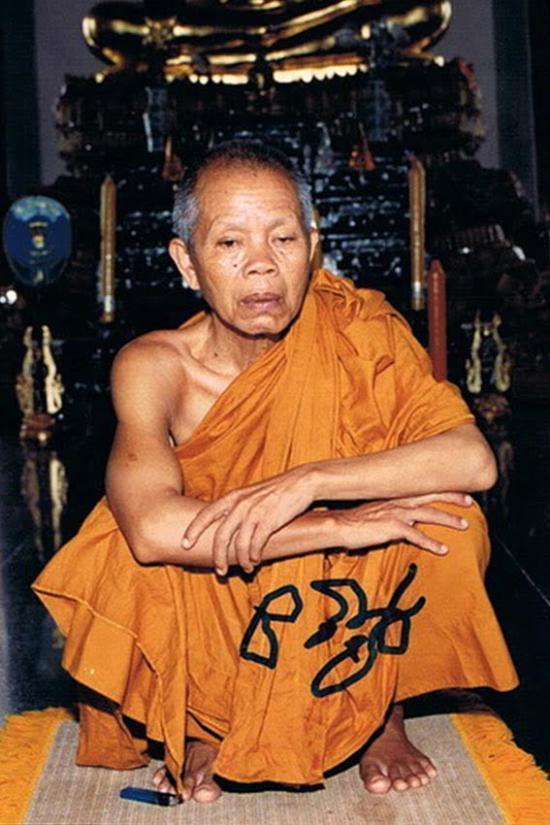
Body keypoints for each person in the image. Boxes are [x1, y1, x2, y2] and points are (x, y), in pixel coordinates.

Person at [33, 140, 517, 804]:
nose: (261, 264)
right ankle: (206, 721)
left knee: (449, 520)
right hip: (232, 578)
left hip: (341, 585)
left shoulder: (360, 329)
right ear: (187, 262)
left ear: (312, 248)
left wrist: (309, 482)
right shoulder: (156, 365)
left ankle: (381, 713)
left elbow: (473, 459)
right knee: (121, 553)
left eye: (283, 238)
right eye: (230, 243)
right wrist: (335, 527)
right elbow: (149, 529)